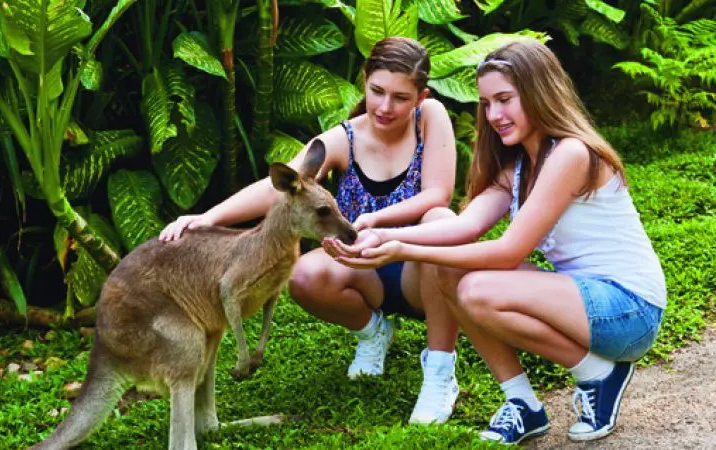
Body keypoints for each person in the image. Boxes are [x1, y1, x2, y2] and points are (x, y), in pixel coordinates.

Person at [325, 38, 666, 444]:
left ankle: (600, 375)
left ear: (539, 92)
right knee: (452, 268)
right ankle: (522, 403)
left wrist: (401, 250)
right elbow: (462, 227)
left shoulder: (571, 154)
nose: (494, 115)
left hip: (630, 309)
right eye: (487, 104)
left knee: (477, 288)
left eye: (505, 99)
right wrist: (381, 232)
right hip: (581, 301)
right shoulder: (519, 167)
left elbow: (509, 252)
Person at [159, 37, 463, 424]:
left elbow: (439, 192)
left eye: (401, 98)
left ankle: (439, 372)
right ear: (364, 80)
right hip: (362, 268)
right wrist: (208, 217)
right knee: (303, 273)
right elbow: (280, 188)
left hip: (419, 271)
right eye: (377, 92)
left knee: (443, 221)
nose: (386, 107)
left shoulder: (431, 116)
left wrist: (379, 221)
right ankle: (373, 333)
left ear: (421, 96)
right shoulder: (344, 139)